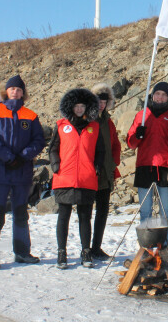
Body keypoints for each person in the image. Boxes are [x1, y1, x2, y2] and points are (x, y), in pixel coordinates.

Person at [0, 75, 45, 270]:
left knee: (21, 213)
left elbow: (38, 140)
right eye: (12, 88)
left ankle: (22, 252)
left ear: (23, 93)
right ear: (6, 91)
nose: (15, 91)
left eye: (18, 89)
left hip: (21, 172)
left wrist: (23, 156)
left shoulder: (30, 115)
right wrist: (8, 157)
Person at [49, 88, 104, 269]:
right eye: (76, 106)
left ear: (87, 107)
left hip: (86, 178)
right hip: (64, 177)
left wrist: (96, 167)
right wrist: (56, 166)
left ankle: (86, 252)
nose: (79, 109)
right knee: (63, 216)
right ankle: (61, 252)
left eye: (82, 106)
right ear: (70, 107)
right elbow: (53, 149)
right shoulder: (61, 126)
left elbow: (100, 151)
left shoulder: (94, 127)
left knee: (84, 217)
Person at [126, 82, 168, 226]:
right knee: (145, 210)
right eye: (157, 94)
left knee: (166, 210)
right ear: (152, 95)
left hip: (165, 167)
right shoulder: (142, 115)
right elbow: (131, 144)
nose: (160, 97)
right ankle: (146, 244)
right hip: (145, 166)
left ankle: (164, 245)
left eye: (163, 95)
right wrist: (137, 135)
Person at [89, 83, 121, 260]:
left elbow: (116, 144)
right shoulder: (88, 120)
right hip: (90, 173)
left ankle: (96, 247)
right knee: (86, 213)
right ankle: (86, 248)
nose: (101, 104)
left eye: (104, 101)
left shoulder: (108, 122)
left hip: (106, 173)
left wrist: (114, 162)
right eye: (98, 101)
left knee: (102, 212)